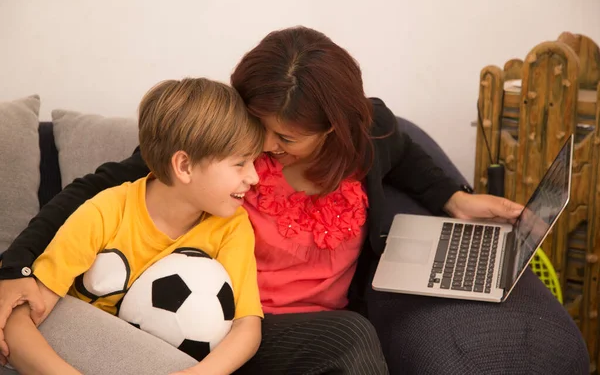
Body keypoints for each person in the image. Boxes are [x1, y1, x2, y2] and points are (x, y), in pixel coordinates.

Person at [0, 26, 588, 374]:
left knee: (351, 337)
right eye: (259, 129)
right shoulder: (223, 148)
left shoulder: (369, 131)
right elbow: (100, 188)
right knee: (353, 341)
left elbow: (406, 149)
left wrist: (454, 198)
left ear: (334, 126)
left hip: (305, 324)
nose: (265, 148)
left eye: (285, 138)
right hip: (224, 318)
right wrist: (15, 266)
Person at [3, 78, 266, 374]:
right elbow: (21, 316)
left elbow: (247, 326)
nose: (254, 177)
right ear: (185, 166)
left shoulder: (232, 227)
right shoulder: (105, 212)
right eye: (241, 163)